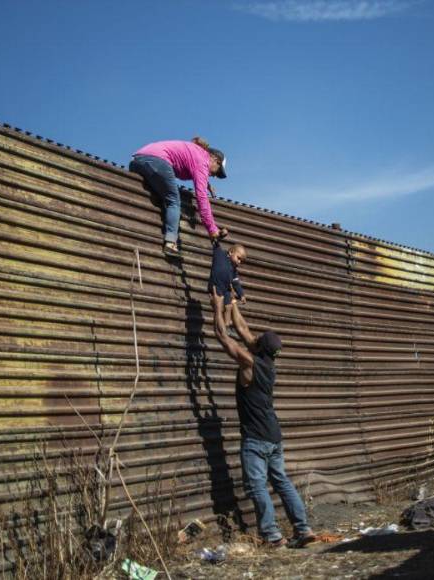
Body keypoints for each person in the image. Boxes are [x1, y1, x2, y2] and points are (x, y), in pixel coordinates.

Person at [211, 292, 315, 548]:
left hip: (256, 438)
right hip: (274, 436)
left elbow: (223, 336)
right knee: (281, 481)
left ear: (258, 347)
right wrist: (232, 304)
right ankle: (303, 529)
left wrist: (216, 306)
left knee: (257, 486)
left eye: (257, 339)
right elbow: (243, 330)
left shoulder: (249, 363)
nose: (252, 337)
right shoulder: (268, 363)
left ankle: (271, 536)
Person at [129, 137, 229, 257]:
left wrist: (207, 184)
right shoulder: (203, 161)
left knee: (161, 192)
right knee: (174, 201)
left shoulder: (197, 153)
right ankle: (171, 242)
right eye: (217, 172)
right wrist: (212, 229)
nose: (214, 176)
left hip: (137, 160)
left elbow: (193, 168)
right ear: (215, 159)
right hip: (157, 161)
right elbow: (202, 198)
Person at [209, 242, 247, 338]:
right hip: (216, 286)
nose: (239, 262)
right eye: (238, 258)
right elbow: (215, 243)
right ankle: (220, 328)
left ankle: (227, 326)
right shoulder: (220, 255)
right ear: (231, 252)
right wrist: (217, 237)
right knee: (219, 307)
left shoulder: (234, 270)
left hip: (226, 289)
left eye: (241, 261)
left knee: (229, 307)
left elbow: (236, 283)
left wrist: (241, 294)